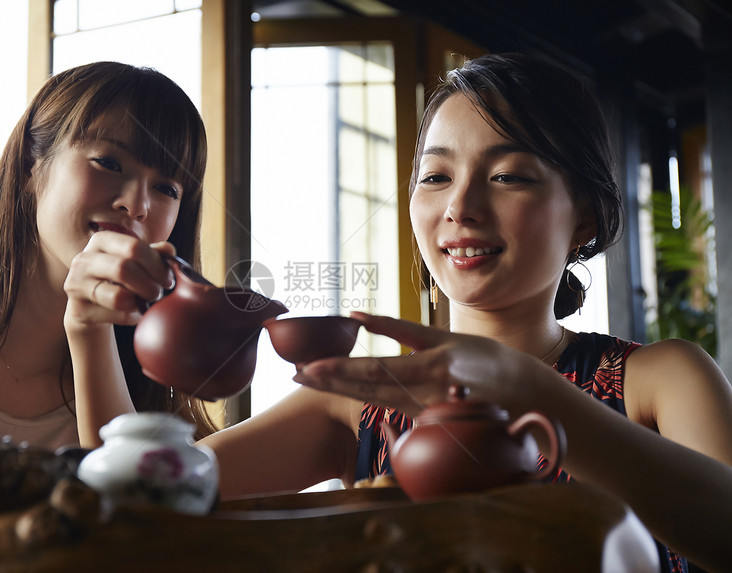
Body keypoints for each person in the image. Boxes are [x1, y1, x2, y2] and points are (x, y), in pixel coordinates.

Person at [198, 53, 732, 572]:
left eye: (508, 176)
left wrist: (526, 389)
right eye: (436, 177)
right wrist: (111, 323)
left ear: (583, 220)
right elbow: (134, 499)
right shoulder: (357, 406)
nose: (460, 206)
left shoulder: (660, 380)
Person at [0, 61, 217, 505]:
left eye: (167, 188)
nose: (136, 205)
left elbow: (139, 535)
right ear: (30, 168)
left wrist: (91, 330)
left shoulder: (154, 419)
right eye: (108, 162)